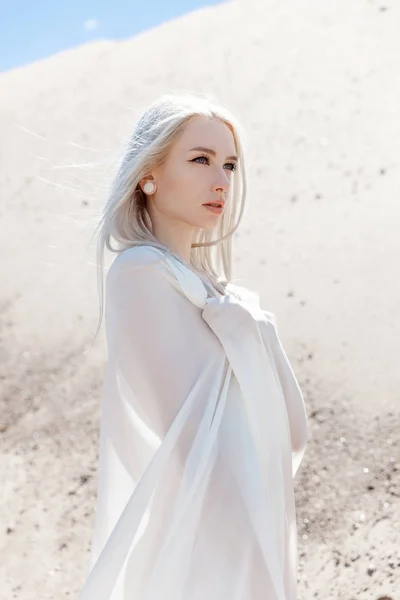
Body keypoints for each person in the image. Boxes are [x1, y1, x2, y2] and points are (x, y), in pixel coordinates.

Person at [77, 91, 309, 600]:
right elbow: (186, 443)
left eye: (229, 164)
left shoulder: (229, 299)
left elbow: (293, 437)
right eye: (200, 160)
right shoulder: (141, 274)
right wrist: (245, 556)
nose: (221, 180)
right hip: (207, 546)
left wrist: (260, 334)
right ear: (149, 174)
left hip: (253, 530)